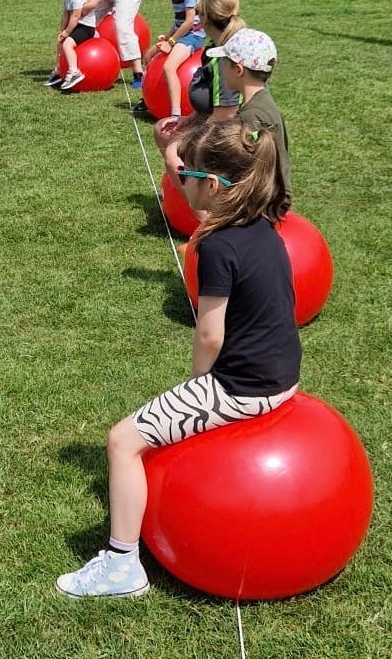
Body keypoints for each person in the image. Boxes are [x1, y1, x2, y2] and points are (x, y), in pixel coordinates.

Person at [56, 117, 298, 599]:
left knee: (122, 441)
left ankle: (123, 565)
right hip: (283, 375)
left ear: (210, 185)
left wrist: (198, 386)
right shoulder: (265, 227)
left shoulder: (216, 245)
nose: (176, 179)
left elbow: (210, 334)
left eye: (183, 173)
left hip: (243, 387)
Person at [154, 0, 247, 179]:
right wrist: (186, 120)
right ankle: (185, 195)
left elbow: (225, 116)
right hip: (216, 123)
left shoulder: (224, 58)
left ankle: (205, 208)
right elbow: (211, 103)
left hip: (233, 135)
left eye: (198, 11)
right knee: (162, 130)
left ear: (204, 18)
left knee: (173, 153)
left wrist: (187, 138)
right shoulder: (213, 48)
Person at [207, 28, 290, 188]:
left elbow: (245, 171)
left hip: (264, 203)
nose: (222, 68)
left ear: (238, 70)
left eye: (224, 62)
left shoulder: (252, 116)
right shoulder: (261, 103)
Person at [143, 0, 206, 116]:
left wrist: (171, 41)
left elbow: (189, 21)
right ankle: (148, 97)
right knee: (148, 55)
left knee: (169, 67)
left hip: (193, 36)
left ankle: (176, 113)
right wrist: (168, 36)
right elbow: (178, 20)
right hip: (182, 33)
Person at [47, 0, 99, 92]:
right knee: (60, 43)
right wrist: (62, 31)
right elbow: (66, 15)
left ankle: (74, 72)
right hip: (76, 26)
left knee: (67, 45)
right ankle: (59, 71)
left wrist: (67, 33)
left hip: (86, 28)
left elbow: (75, 17)